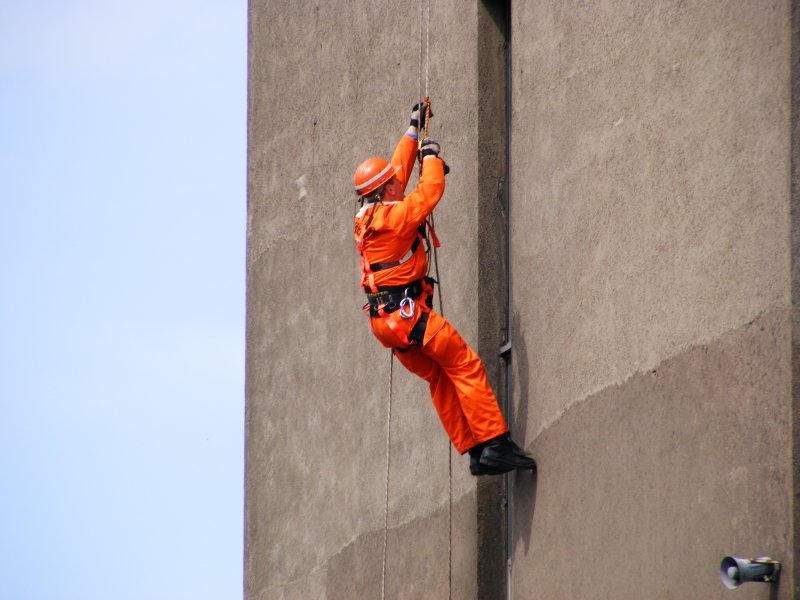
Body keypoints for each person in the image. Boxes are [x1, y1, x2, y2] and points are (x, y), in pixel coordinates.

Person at [353, 103, 536, 476]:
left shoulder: (372, 216)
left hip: (385, 324)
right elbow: (428, 192)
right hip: (408, 317)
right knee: (463, 363)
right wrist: (432, 157)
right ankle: (495, 444)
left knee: (438, 375)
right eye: (393, 183)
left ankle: (473, 450)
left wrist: (411, 131)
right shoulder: (395, 217)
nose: (398, 182)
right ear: (385, 190)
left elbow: (399, 174)